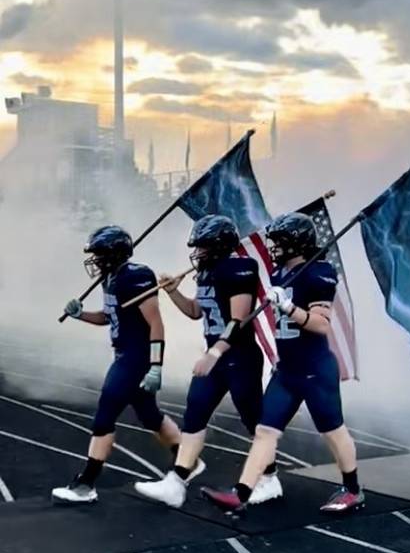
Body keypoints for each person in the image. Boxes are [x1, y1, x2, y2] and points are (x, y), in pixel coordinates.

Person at [202, 212, 364, 514]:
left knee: (333, 430)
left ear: (297, 242)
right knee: (265, 430)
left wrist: (288, 307)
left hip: (315, 369)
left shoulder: (319, 273)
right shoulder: (280, 275)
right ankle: (242, 492)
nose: (273, 247)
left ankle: (353, 490)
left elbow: (321, 325)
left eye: (278, 241)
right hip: (287, 369)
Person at [134, 215, 278, 508]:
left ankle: (270, 479)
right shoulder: (207, 272)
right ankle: (177, 481)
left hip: (239, 357)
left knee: (253, 419)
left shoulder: (240, 268)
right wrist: (173, 292)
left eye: (201, 247)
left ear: (217, 246)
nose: (197, 253)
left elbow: (239, 319)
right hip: (215, 356)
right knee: (196, 410)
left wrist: (215, 353)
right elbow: (195, 312)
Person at [52, 226, 182, 504]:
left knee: (105, 415)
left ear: (113, 254)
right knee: (149, 415)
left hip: (136, 357)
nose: (95, 261)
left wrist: (156, 365)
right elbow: (109, 317)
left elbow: (155, 323)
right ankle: (187, 461)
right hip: (124, 353)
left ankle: (86, 484)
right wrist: (80, 315)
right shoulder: (110, 278)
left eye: (99, 254)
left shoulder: (135, 276)